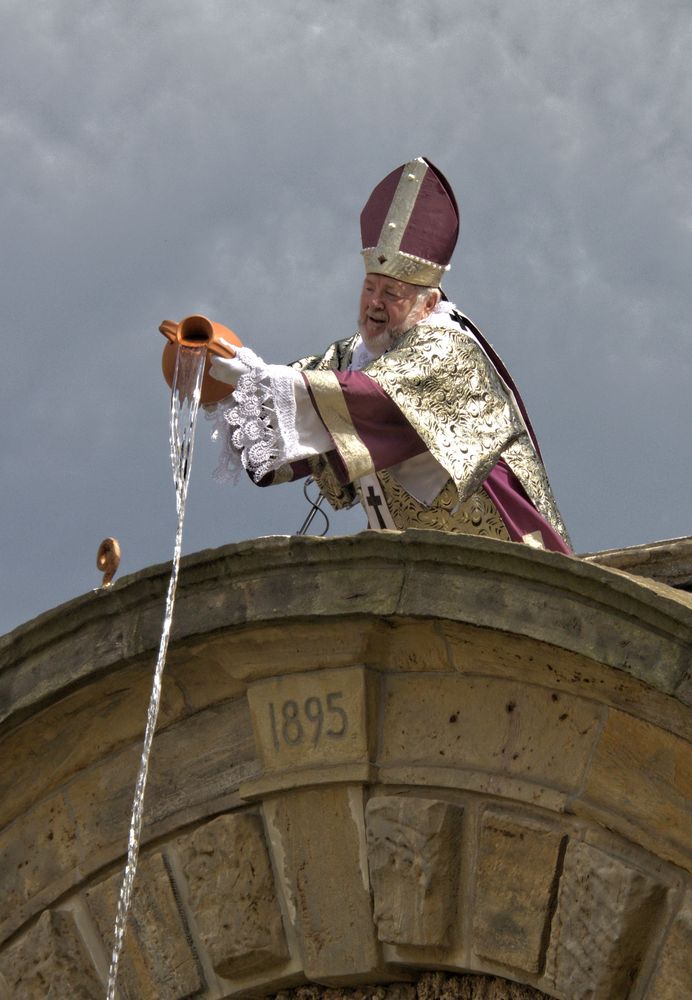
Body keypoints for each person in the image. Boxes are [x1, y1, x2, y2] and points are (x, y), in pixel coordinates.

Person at [205, 156, 572, 553]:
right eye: (369, 288)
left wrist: (262, 379)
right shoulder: (355, 355)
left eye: (391, 293)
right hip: (414, 557)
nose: (374, 304)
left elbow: (373, 397)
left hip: (498, 548)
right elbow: (295, 396)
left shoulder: (447, 348)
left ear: (428, 303)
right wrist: (226, 377)